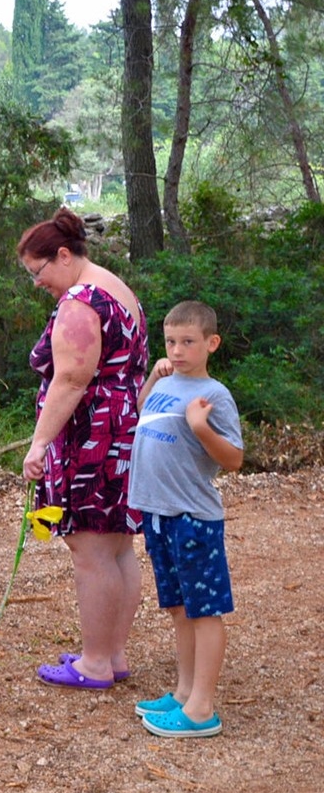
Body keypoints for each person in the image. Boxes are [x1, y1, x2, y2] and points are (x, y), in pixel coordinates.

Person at [18, 208, 149, 690]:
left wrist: (39, 443)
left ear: (65, 255)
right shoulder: (119, 289)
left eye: (39, 271)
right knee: (116, 546)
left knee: (90, 548)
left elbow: (72, 380)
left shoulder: (80, 300)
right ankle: (111, 653)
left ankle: (94, 663)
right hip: (121, 427)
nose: (37, 283)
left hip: (91, 435)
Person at [128, 301, 243, 738]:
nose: (177, 351)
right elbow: (142, 415)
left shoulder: (213, 396)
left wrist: (201, 428)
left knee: (204, 611)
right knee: (179, 609)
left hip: (193, 517)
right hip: (158, 513)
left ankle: (202, 709)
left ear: (211, 343)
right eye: (171, 341)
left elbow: (233, 459)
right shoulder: (166, 381)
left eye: (188, 342)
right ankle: (183, 694)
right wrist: (153, 378)